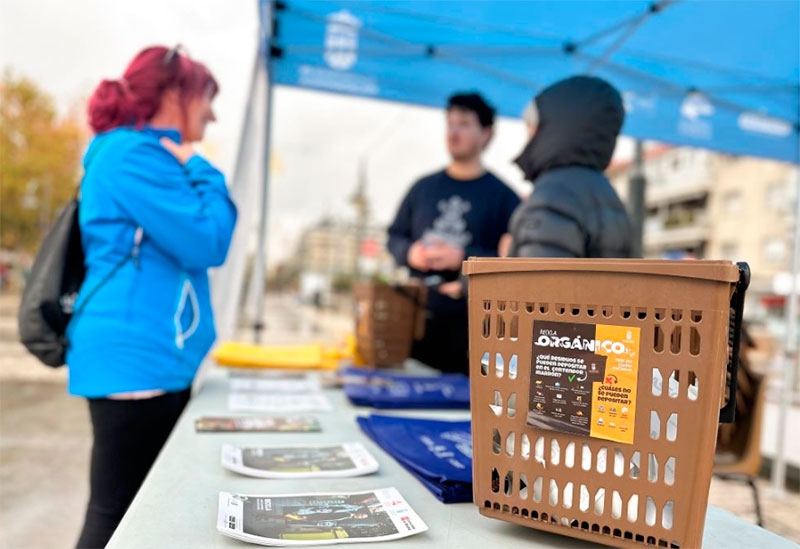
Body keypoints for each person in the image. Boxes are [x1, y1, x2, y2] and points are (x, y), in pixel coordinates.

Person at [69, 45, 237, 548]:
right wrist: (200, 167)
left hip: (145, 359)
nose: (212, 112)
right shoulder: (133, 155)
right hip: (136, 361)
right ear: (172, 93)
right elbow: (209, 239)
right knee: (118, 513)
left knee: (132, 508)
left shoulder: (136, 152)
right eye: (205, 97)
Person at [388, 92, 520, 374]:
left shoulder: (505, 199)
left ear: (486, 134)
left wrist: (464, 258)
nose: (454, 132)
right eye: (450, 124)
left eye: (464, 124)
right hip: (416, 326)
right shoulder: (422, 188)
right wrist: (410, 253)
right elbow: (394, 236)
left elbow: (517, 263)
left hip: (475, 336)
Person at [507, 76, 634, 258]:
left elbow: (537, 283)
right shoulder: (606, 194)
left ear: (552, 128)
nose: (528, 137)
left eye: (532, 126)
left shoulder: (553, 197)